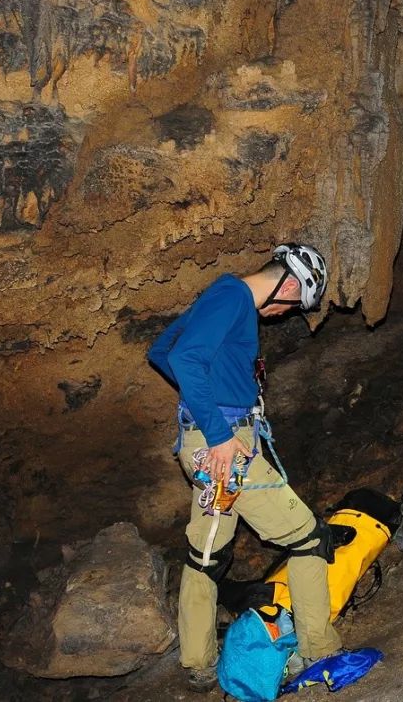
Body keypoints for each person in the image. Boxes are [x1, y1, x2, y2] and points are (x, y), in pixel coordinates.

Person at [148, 244, 341, 692]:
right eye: (293, 305)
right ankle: (320, 650)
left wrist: (207, 402)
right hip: (224, 448)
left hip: (207, 442)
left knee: (207, 552)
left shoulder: (221, 298)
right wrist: (218, 431)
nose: (285, 314)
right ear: (288, 286)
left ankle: (198, 662)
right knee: (309, 538)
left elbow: (162, 350)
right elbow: (181, 358)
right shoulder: (233, 296)